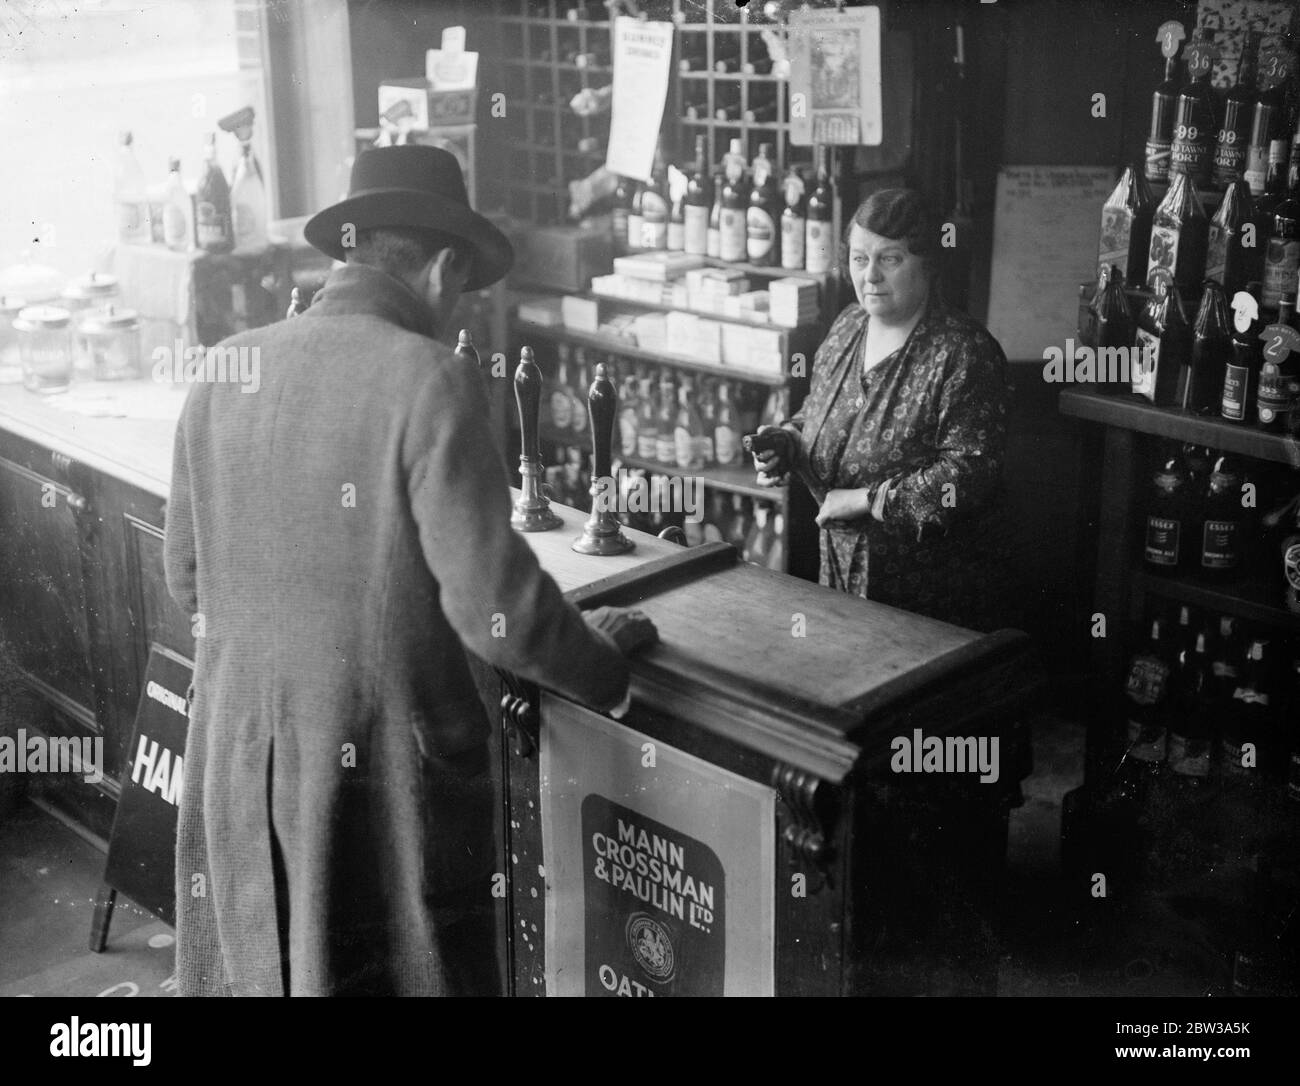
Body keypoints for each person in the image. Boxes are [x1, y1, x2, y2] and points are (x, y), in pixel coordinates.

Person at [164, 145, 657, 996]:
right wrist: (602, 665)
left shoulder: (223, 367)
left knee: (259, 970)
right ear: (441, 268)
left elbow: (188, 578)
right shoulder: (433, 379)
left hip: (233, 762)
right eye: (462, 288)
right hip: (377, 778)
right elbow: (499, 613)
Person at [752, 188, 1012, 631]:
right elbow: (817, 415)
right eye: (858, 259)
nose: (869, 275)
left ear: (927, 264)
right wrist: (788, 441)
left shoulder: (964, 351)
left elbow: (969, 475)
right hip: (836, 579)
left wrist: (868, 500)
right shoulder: (848, 326)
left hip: (921, 597)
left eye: (889, 259)